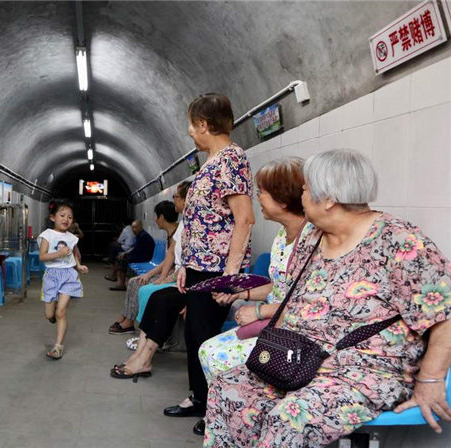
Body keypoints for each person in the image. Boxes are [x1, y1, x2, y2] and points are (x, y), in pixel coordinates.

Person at [205, 149, 451, 447]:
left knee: (290, 418)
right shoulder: (312, 236)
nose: (302, 196)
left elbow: (445, 315)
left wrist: (431, 381)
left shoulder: (400, 241)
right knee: (228, 386)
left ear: (329, 198)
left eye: (306, 189)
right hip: (299, 358)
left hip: (363, 371)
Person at [113, 94, 254, 437]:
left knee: (204, 338)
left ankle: (213, 409)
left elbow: (245, 219)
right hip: (196, 267)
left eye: (192, 124)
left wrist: (230, 274)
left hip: (216, 271)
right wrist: (183, 264)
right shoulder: (209, 162)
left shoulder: (232, 160)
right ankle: (199, 397)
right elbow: (196, 222)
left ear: (205, 125)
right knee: (194, 336)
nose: (190, 131)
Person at [185, 157, 311, 433]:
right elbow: (277, 287)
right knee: (207, 349)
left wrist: (258, 312)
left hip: (294, 333)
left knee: (217, 355)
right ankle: (226, 414)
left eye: (263, 192)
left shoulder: (311, 239)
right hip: (272, 321)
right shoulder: (282, 236)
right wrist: (239, 294)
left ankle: (240, 419)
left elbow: (303, 300)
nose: (258, 198)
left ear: (283, 197)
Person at [109, 199, 181, 334]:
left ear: (162, 217)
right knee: (133, 281)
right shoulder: (171, 233)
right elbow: (166, 261)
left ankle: (129, 322)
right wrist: (148, 274)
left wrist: (154, 276)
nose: (155, 219)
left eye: (156, 216)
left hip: (174, 276)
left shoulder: (177, 234)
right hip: (167, 272)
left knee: (137, 283)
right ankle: (125, 317)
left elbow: (169, 262)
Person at [38, 200, 89, 360]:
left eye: (70, 217)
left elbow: (74, 254)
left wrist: (78, 266)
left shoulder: (72, 238)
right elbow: (42, 256)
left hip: (68, 276)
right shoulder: (47, 235)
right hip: (52, 276)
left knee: (61, 311)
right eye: (62, 215)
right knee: (49, 314)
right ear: (53, 217)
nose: (66, 219)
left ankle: (58, 346)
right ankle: (51, 316)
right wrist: (58, 254)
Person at [110, 220, 156, 291]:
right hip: (142, 255)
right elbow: (134, 248)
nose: (133, 230)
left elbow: (136, 250)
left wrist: (125, 255)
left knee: (122, 260)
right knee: (121, 257)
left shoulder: (143, 236)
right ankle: (119, 280)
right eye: (132, 228)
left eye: (135, 228)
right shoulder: (140, 235)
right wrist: (125, 253)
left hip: (145, 258)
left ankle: (121, 284)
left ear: (140, 227)